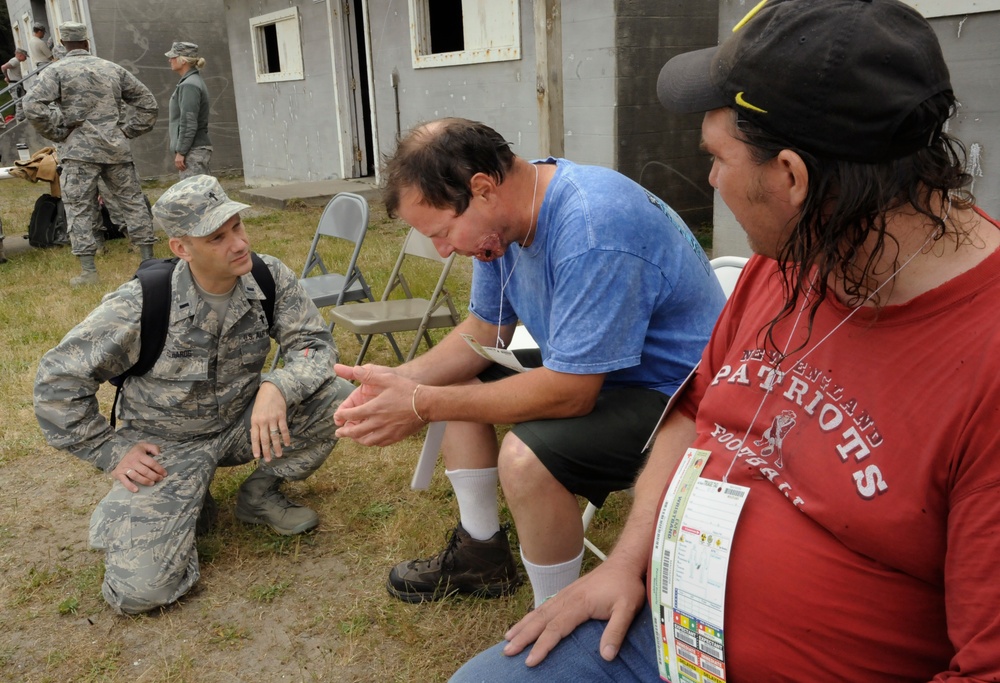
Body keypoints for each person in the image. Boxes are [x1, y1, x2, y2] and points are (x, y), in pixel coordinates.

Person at [451, 1, 1000, 681]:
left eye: (715, 159)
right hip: (665, 631)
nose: (709, 179)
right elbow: (694, 410)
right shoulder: (790, 260)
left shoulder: (985, 357)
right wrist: (625, 561)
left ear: (792, 177)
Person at [333, 117, 726, 609]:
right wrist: (398, 381)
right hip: (609, 373)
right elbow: (484, 330)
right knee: (465, 372)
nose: (444, 249)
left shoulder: (591, 224)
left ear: (482, 189)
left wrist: (421, 403)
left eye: (442, 231)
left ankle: (556, 617)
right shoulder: (502, 224)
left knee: (526, 459)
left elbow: (571, 393)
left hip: (685, 398)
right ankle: (482, 555)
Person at [33, 174, 355, 615]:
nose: (239, 243)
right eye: (217, 237)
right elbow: (57, 380)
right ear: (182, 248)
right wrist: (110, 450)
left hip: (243, 425)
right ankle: (171, 504)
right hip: (169, 445)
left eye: (238, 226)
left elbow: (315, 347)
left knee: (337, 395)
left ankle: (259, 497)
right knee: (140, 593)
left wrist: (277, 385)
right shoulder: (140, 303)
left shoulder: (269, 276)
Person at [22, 21, 158, 286]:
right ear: (87, 42)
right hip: (115, 148)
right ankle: (148, 260)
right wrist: (128, 131)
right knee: (132, 201)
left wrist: (57, 132)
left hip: (78, 152)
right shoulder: (112, 69)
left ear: (62, 43)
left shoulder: (56, 71)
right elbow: (147, 103)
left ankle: (89, 271)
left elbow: (32, 105)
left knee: (79, 207)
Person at [166, 41, 213, 179]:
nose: (170, 60)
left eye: (173, 57)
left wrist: (181, 151)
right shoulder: (192, 81)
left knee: (194, 197)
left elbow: (188, 122)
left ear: (183, 60)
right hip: (194, 149)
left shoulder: (189, 85)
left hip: (193, 151)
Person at [1, 48, 28, 122]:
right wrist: (7, 77)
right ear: (20, 55)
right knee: (19, 103)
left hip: (16, 84)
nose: (25, 58)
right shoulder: (15, 61)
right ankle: (21, 120)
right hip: (15, 85)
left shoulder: (15, 61)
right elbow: (3, 67)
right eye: (25, 56)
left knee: (21, 101)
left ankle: (22, 118)